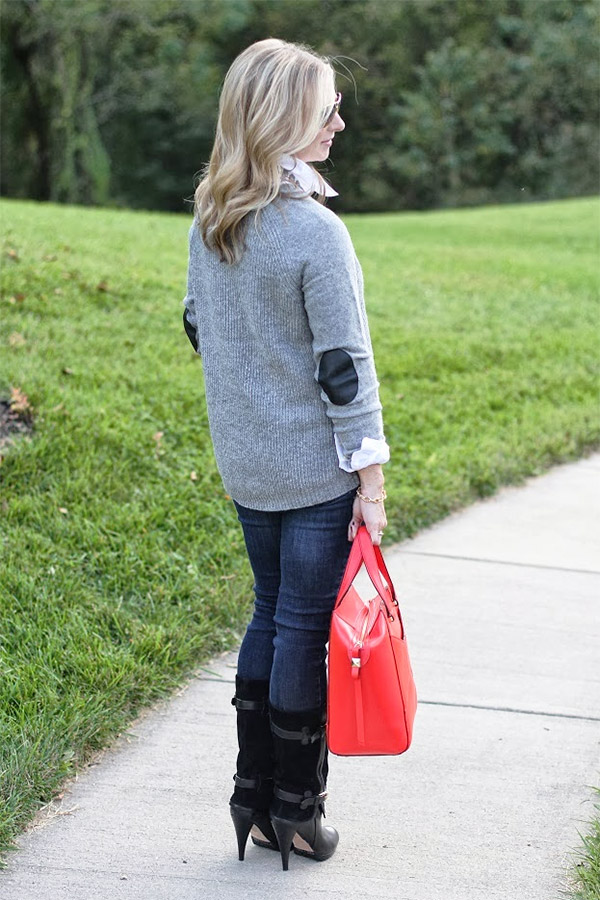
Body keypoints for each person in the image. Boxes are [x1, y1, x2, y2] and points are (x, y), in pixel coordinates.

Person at [182, 37, 389, 871]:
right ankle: (297, 812)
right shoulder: (315, 232)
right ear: (283, 118)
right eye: (327, 109)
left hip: (247, 465)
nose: (340, 123)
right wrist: (371, 481)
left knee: (270, 612)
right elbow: (345, 369)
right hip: (312, 471)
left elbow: (198, 327)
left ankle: (254, 798)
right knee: (301, 628)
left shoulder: (211, 220)